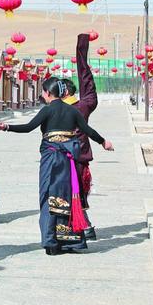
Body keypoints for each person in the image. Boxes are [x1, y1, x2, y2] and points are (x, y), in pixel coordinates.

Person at [0, 77, 114, 255]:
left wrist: (6, 127)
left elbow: (28, 127)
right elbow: (88, 131)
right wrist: (103, 142)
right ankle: (69, 241)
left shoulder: (47, 111)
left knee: (48, 196)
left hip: (51, 161)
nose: (43, 95)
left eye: (43, 92)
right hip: (67, 161)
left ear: (48, 93)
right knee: (66, 196)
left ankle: (51, 241)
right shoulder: (72, 111)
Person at [60, 33, 98, 240]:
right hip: (76, 157)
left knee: (72, 193)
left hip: (69, 159)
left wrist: (81, 49)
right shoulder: (83, 105)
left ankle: (82, 226)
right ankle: (84, 226)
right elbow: (87, 82)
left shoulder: (58, 109)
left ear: (63, 90)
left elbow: (86, 81)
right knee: (75, 193)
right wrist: (82, 51)